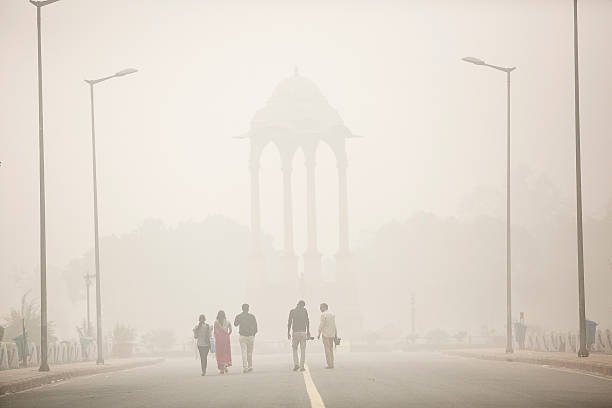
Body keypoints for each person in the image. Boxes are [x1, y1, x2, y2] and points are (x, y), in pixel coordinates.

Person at [234, 303, 258, 373]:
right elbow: (256, 326)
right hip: (250, 336)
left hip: (242, 336)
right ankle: (250, 366)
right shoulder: (252, 316)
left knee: (244, 352)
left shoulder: (239, 316)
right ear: (248, 309)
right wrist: (253, 334)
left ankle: (245, 367)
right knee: (250, 352)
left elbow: (235, 324)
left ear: (242, 309)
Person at [288, 300, 310, 372]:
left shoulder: (292, 311)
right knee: (303, 350)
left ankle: (296, 364)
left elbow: (289, 322)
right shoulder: (304, 311)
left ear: (297, 304)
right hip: (303, 332)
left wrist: (288, 332)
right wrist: (308, 331)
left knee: (295, 349)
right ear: (303, 305)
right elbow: (307, 321)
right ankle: (302, 366)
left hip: (295, 332)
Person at [317, 303, 337, 369]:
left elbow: (321, 325)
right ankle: (332, 363)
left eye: (321, 307)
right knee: (331, 349)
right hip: (332, 334)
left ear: (324, 307)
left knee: (327, 349)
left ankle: (329, 364)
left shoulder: (323, 315)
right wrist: (336, 334)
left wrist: (319, 333)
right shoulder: (332, 314)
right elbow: (334, 325)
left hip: (325, 334)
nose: (320, 309)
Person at [214, 310, 232, 374]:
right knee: (225, 352)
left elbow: (215, 332)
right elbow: (230, 330)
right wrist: (227, 334)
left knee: (220, 353)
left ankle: (222, 369)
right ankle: (225, 365)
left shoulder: (216, 322)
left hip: (219, 340)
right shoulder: (228, 322)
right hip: (226, 339)